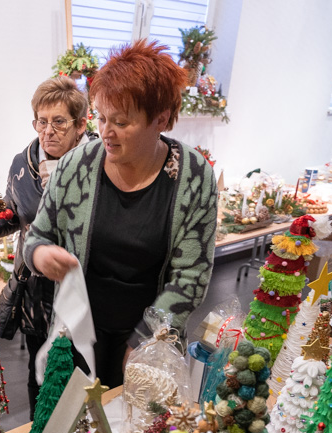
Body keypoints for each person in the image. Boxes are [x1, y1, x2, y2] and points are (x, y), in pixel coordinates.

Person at [23, 40, 218, 389]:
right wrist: (39, 253)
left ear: (161, 120)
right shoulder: (76, 165)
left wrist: (147, 340)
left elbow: (192, 275)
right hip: (80, 330)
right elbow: (37, 235)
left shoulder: (193, 176)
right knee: (75, 428)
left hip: (152, 334)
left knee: (136, 431)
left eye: (122, 122)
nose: (106, 133)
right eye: (101, 117)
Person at [0, 76, 93, 419]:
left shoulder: (98, 165)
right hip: (36, 293)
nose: (48, 131)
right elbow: (13, 214)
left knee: (81, 376)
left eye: (59, 122)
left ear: (81, 125)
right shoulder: (22, 164)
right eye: (41, 121)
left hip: (82, 292)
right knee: (39, 377)